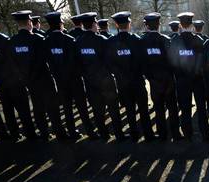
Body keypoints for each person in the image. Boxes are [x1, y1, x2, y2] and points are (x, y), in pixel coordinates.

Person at [0, 11, 36, 139]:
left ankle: (14, 134)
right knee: (23, 109)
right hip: (13, 79)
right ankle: (30, 133)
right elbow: (13, 60)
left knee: (7, 108)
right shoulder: (3, 39)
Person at [10, 10, 65, 140]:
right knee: (52, 107)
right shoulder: (38, 39)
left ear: (18, 23)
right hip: (43, 78)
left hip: (28, 80)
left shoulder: (12, 41)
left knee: (37, 107)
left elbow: (13, 63)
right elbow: (43, 61)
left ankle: (44, 132)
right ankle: (59, 132)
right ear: (29, 22)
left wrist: (24, 77)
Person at [43, 11, 96, 139]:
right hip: (74, 79)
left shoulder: (46, 41)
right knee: (82, 107)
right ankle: (90, 132)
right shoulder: (70, 40)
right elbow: (76, 61)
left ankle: (72, 132)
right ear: (60, 24)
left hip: (60, 80)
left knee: (67, 108)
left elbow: (48, 61)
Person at [107, 11, 154, 141]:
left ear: (116, 24)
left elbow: (110, 63)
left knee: (129, 110)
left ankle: (134, 134)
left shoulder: (111, 42)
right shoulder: (137, 40)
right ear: (129, 24)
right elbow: (143, 61)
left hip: (122, 83)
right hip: (137, 81)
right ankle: (148, 134)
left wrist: (118, 75)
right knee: (143, 110)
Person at [76, 12, 124, 140]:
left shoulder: (78, 42)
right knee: (113, 108)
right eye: (96, 23)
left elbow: (78, 63)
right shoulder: (102, 40)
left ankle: (103, 134)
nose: (97, 25)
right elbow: (111, 60)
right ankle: (119, 134)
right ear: (93, 24)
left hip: (90, 81)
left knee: (97, 110)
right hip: (106, 80)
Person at [169, 12, 209, 141]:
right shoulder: (198, 40)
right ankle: (205, 133)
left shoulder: (175, 41)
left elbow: (172, 62)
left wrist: (179, 75)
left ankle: (187, 133)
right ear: (192, 24)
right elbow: (203, 62)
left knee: (185, 108)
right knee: (201, 107)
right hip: (197, 79)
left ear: (180, 25)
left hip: (182, 80)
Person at [140, 12, 180, 140]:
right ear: (159, 24)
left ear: (146, 26)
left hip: (153, 81)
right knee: (172, 109)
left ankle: (162, 134)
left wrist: (150, 77)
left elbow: (142, 64)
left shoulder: (142, 42)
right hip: (168, 80)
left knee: (158, 109)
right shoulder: (166, 40)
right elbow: (173, 62)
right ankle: (175, 134)